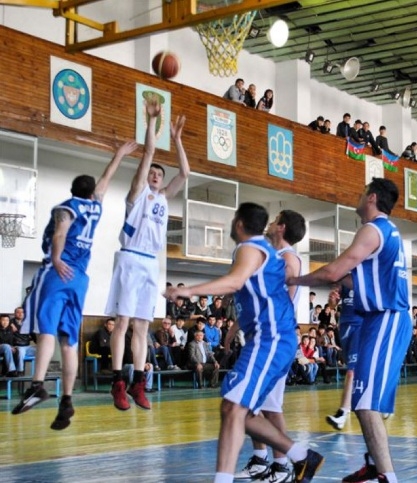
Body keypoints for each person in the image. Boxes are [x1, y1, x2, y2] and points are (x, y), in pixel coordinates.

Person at [164, 202, 323, 483]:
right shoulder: (266, 252)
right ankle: (300, 456)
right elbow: (248, 288)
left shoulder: (251, 247)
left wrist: (188, 291)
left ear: (238, 223)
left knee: (236, 407)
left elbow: (235, 282)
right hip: (272, 338)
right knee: (241, 411)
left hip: (271, 338)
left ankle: (272, 464)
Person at [289, 178, 412, 483]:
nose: (358, 196)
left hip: (386, 319)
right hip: (377, 320)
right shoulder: (388, 232)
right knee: (362, 401)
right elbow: (352, 279)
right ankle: (374, 463)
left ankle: (387, 477)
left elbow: (334, 270)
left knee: (367, 404)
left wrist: (294, 280)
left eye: (361, 192)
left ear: (372, 197)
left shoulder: (373, 230)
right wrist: (334, 279)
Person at [11, 139, 135, 429]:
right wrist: (119, 154)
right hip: (80, 279)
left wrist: (56, 259)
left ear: (72, 191)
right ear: (91, 192)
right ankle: (67, 400)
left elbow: (60, 233)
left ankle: (37, 385)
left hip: (58, 272)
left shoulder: (66, 208)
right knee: (69, 340)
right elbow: (105, 181)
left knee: (45, 331)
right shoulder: (95, 207)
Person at [105, 98, 190, 412]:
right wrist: (152, 121)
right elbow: (149, 153)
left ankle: (139, 383)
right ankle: (118, 381)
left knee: (142, 326)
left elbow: (185, 172)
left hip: (152, 263)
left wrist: (177, 139)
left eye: (158, 174)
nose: (154, 175)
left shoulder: (164, 198)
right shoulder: (137, 194)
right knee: (123, 322)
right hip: (130, 256)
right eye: (151, 172)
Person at [235, 209, 306, 482]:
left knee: (271, 407)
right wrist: (235, 328)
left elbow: (276, 301)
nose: (271, 223)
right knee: (251, 404)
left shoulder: (288, 258)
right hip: (261, 337)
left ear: (282, 227)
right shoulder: (273, 256)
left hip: (276, 340)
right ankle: (260, 459)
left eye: (275, 220)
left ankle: (282, 464)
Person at [326, 285, 363, 430]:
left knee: (351, 371)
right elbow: (332, 305)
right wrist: (332, 300)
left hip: (361, 326)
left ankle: (342, 412)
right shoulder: (345, 281)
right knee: (354, 369)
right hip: (345, 327)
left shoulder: (367, 279)